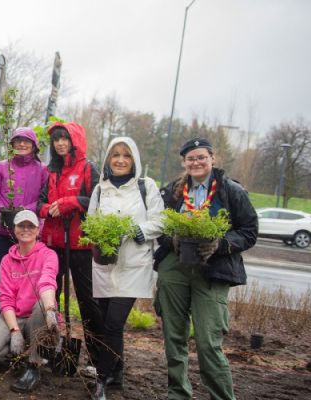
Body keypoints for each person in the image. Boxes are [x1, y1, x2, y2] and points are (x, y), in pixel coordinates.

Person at [153, 137, 257, 400]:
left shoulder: (231, 191)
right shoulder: (172, 191)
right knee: (173, 337)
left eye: (201, 157)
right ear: (184, 162)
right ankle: (178, 394)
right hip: (175, 268)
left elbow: (249, 232)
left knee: (208, 342)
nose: (196, 162)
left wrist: (221, 244)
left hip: (213, 271)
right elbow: (159, 228)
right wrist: (171, 239)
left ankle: (221, 396)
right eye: (191, 158)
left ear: (213, 158)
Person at [85, 138, 164, 400]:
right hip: (106, 265)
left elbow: (160, 220)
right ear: (108, 158)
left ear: (134, 160)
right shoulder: (100, 189)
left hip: (133, 265)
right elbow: (91, 222)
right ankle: (117, 371)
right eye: (115, 155)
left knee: (113, 323)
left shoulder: (146, 186)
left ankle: (101, 379)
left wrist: (139, 230)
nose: (120, 160)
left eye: (126, 156)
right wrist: (100, 235)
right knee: (108, 321)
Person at [38, 121, 103, 377]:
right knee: (50, 299)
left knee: (88, 302)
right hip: (54, 243)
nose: (60, 144)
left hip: (81, 245)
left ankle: (98, 360)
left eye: (64, 139)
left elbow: (98, 200)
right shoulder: (51, 171)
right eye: (56, 140)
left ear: (74, 140)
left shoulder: (88, 169)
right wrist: (49, 209)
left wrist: (71, 202)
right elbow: (40, 204)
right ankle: (47, 350)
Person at [0, 210, 58, 393]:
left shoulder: (48, 255)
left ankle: (34, 366)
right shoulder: (7, 260)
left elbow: (47, 282)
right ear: (14, 229)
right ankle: (23, 357)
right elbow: (5, 298)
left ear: (38, 229)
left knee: (41, 306)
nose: (26, 229)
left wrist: (50, 309)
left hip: (41, 315)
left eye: (31, 226)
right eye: (21, 226)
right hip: (17, 316)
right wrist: (14, 331)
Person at [0, 127, 48, 317]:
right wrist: (0, 211)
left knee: (27, 277)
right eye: (17, 141)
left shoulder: (42, 170)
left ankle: (23, 318)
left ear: (34, 145)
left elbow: (44, 198)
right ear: (11, 145)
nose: (21, 144)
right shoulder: (3, 167)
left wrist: (25, 211)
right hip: (0, 231)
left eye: (26, 141)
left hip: (28, 233)